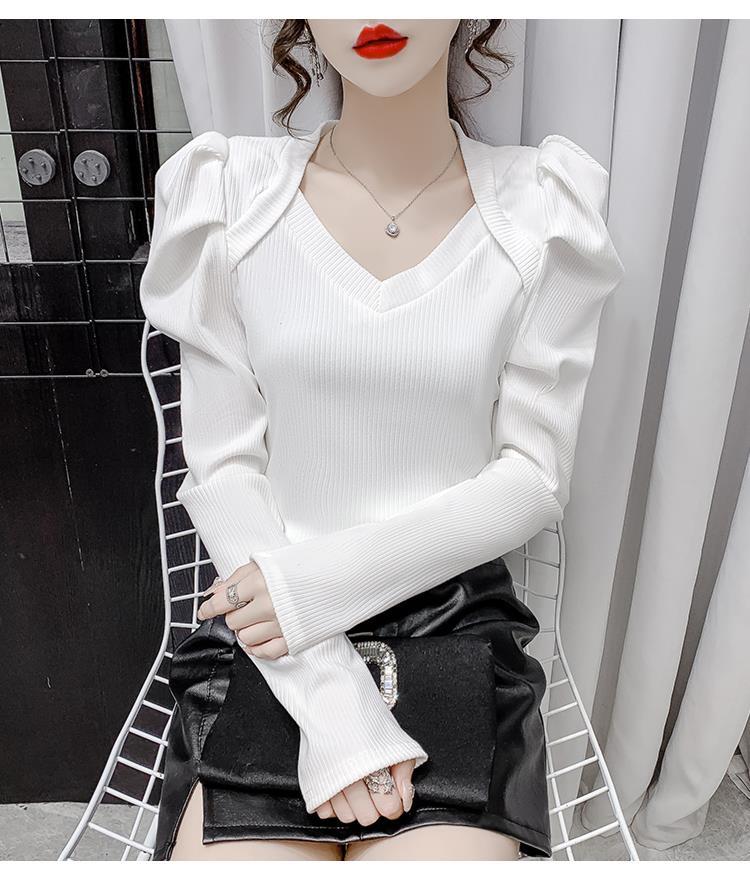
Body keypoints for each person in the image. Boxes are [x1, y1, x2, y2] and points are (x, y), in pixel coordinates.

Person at [139, 18, 625, 862]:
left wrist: (313, 589)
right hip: (269, 631)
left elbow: (534, 477)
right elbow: (223, 471)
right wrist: (333, 702)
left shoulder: (543, 211)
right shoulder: (228, 197)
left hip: (448, 621)